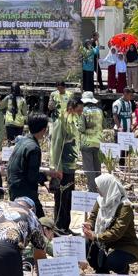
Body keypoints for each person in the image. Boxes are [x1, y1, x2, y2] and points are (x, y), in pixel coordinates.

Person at [82, 172, 138, 276]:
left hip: (124, 245)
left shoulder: (125, 207)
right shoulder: (101, 200)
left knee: (113, 261)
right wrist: (89, 224)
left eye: (99, 186)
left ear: (107, 187)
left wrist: (96, 237)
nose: (97, 188)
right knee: (86, 245)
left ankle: (123, 270)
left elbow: (117, 232)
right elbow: (93, 216)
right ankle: (101, 272)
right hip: (106, 242)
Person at [48, 94, 82, 233]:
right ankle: (59, 228)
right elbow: (56, 146)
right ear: (71, 108)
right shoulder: (61, 122)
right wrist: (57, 168)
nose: (80, 114)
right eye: (78, 110)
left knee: (68, 198)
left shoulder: (73, 121)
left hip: (71, 166)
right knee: (61, 199)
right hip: (63, 167)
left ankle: (66, 226)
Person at [5, 114, 48, 214]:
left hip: (13, 187)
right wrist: (46, 180)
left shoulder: (22, 141)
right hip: (24, 191)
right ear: (44, 130)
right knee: (40, 220)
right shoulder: (34, 148)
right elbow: (32, 176)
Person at [79, 92, 104, 180]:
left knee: (89, 168)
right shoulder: (99, 111)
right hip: (98, 141)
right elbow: (102, 125)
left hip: (87, 142)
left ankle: (92, 190)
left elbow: (81, 128)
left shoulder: (83, 111)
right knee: (97, 168)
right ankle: (99, 188)